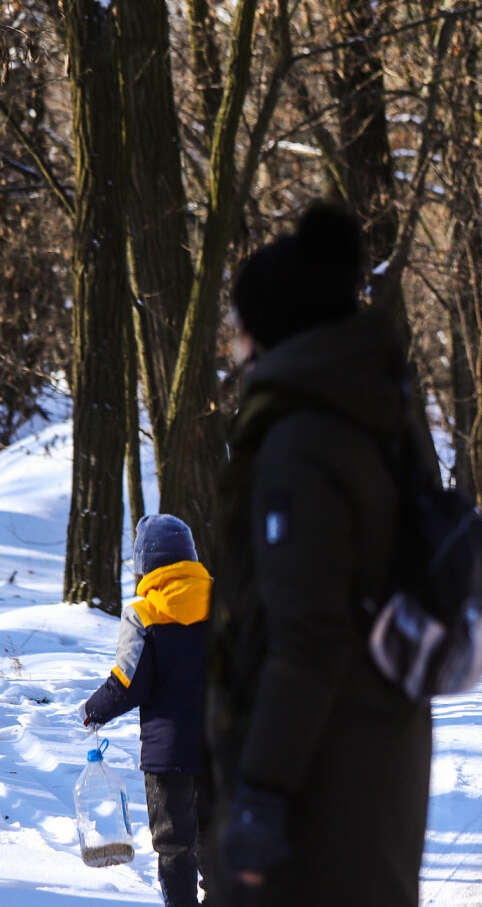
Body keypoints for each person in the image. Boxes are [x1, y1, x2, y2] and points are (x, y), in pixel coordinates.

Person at [204, 202, 431, 906]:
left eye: (240, 327)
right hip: (375, 748)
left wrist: (262, 794)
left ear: (270, 332)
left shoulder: (302, 443)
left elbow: (306, 636)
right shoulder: (368, 409)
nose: (234, 344)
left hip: (317, 776)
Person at [81, 513, 212, 907]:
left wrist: (93, 710)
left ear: (146, 563)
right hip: (223, 746)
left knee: (175, 844)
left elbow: (128, 682)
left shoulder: (143, 613)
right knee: (216, 838)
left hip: (168, 756)